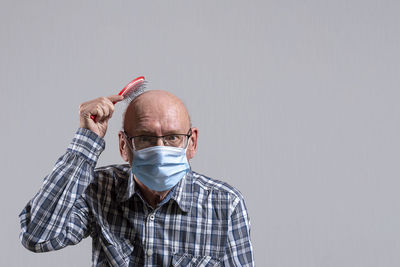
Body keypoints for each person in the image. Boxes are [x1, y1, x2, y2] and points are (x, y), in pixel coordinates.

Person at [19, 90, 254, 266]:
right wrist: (86, 142)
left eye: (172, 137)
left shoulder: (225, 205)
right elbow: (37, 236)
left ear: (191, 143)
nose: (160, 149)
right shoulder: (100, 189)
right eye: (145, 138)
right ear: (124, 145)